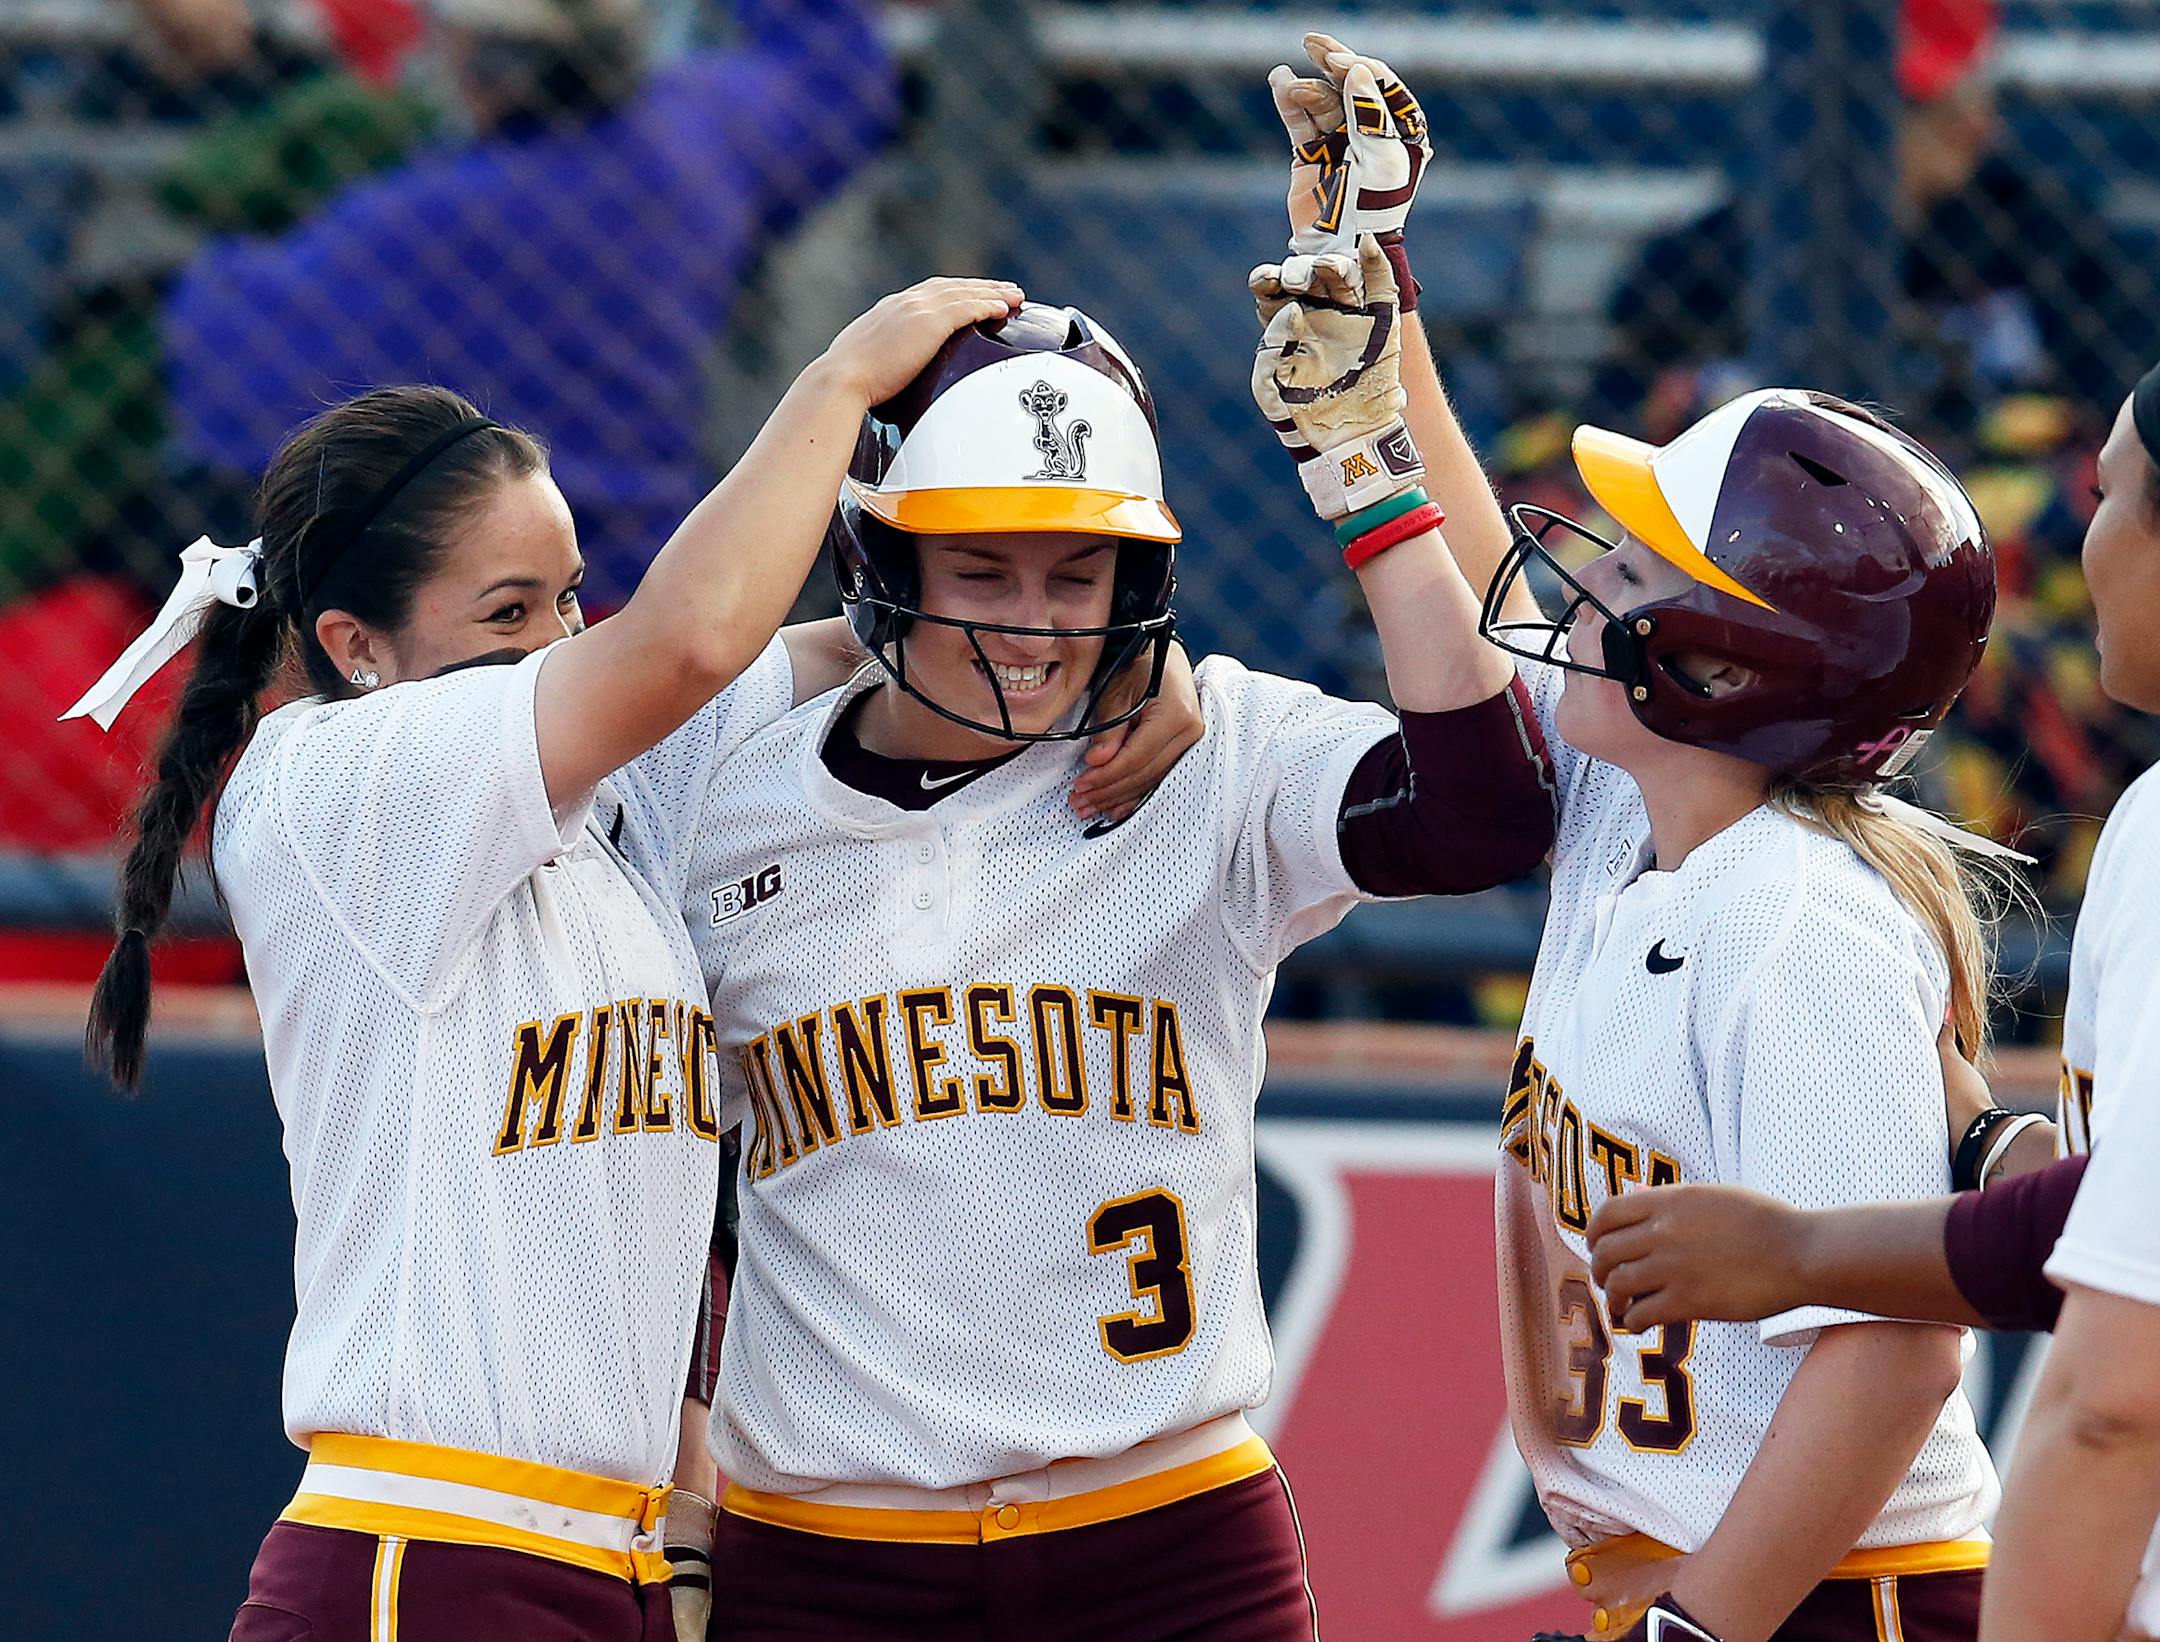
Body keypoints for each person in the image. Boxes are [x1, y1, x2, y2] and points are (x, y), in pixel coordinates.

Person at [63, 276, 1191, 1640]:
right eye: (508, 610)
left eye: (571, 596)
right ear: (355, 649)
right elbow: (695, 642)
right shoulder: (334, 784)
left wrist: (1129, 660)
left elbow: (930, 647)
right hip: (428, 1549)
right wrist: (839, 381)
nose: (561, 638)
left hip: (609, 1562)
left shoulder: (605, 799)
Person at [665, 187, 1557, 1629]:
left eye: (1081, 574)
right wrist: (687, 1496)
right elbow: (680, 1207)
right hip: (829, 1548)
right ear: (880, 563)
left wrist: (1372, 492)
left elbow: (1491, 810)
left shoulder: (1216, 755)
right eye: (980, 569)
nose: (1032, 621)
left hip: (1168, 1533)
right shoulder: (720, 786)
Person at [1275, 34, 2011, 1642]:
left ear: (1720, 670)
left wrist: (1705, 1633)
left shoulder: (1797, 920)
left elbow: (1896, 1346)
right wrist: (1382, 300)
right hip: (1722, 1587)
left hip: (1829, 1604)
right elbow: (1502, 590)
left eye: (1643, 564)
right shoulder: (1649, 814)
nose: (1589, 566)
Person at [1586, 359, 2160, 1642]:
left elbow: (2100, 1377)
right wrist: (1981, 1140)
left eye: (2112, 495)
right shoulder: (2145, 819)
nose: (2086, 537)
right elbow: (2123, 1210)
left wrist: (1798, 1254)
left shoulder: (1798, 915)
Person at [164, 0, 897, 602]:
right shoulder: (693, 142)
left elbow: (215, 349)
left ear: (481, 57)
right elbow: (838, 77)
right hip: (652, 589)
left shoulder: (421, 222)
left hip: (466, 609)